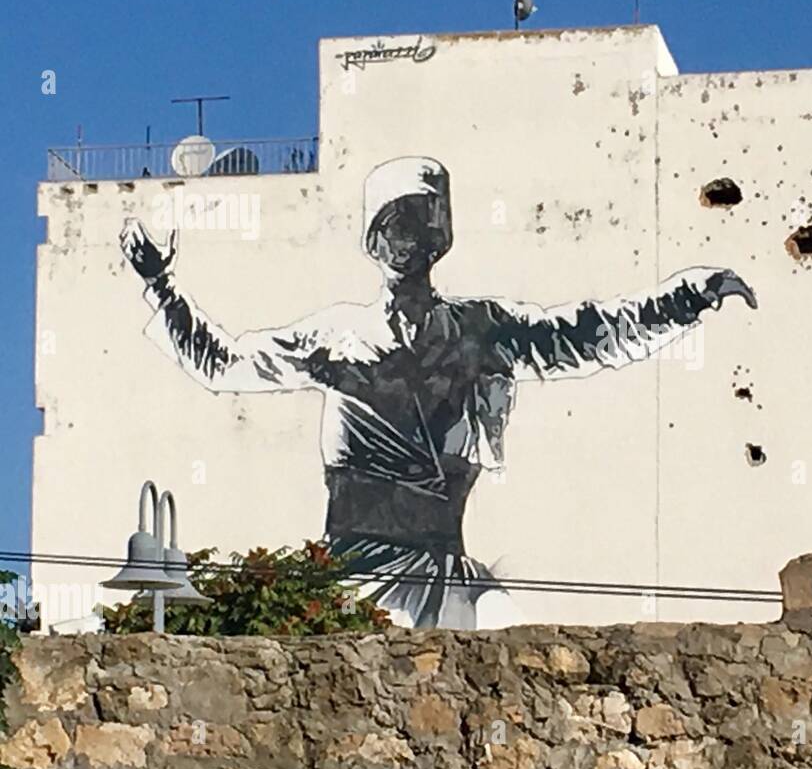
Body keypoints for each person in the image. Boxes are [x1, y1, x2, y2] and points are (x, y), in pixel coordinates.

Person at [120, 156, 758, 628]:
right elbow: (222, 361)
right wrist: (161, 285)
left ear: (438, 237)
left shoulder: (482, 330)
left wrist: (687, 297)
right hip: (354, 570)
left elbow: (589, 332)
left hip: (443, 564)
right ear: (375, 240)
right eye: (396, 226)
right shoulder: (339, 337)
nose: (409, 240)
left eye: (422, 226)